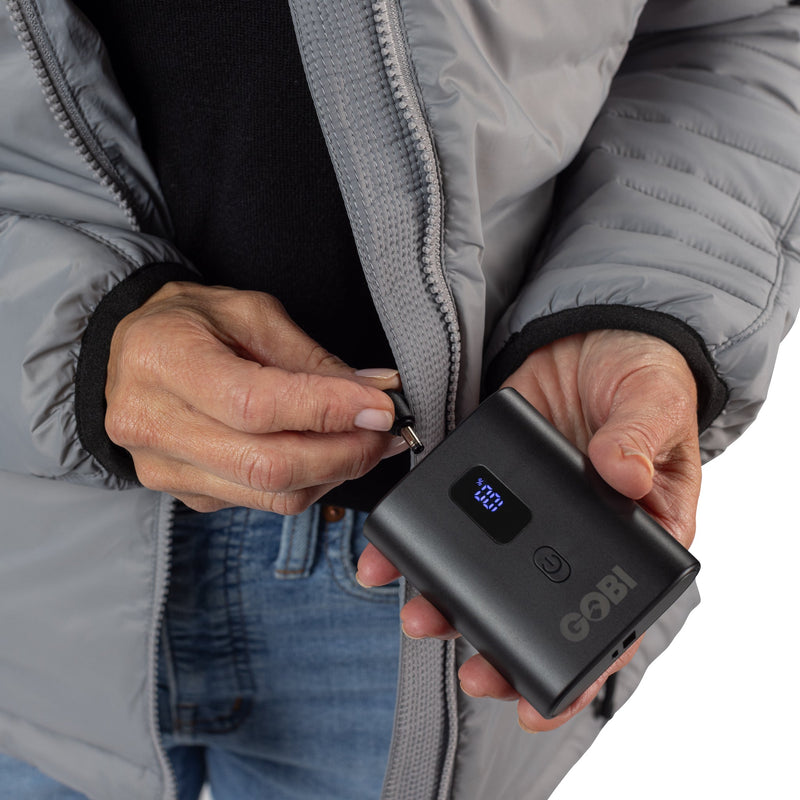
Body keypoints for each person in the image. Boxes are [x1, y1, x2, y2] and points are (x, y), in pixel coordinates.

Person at [1, 1, 799, 799]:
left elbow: (746, 27)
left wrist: (640, 305)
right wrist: (73, 344)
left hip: (434, 557)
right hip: (34, 573)